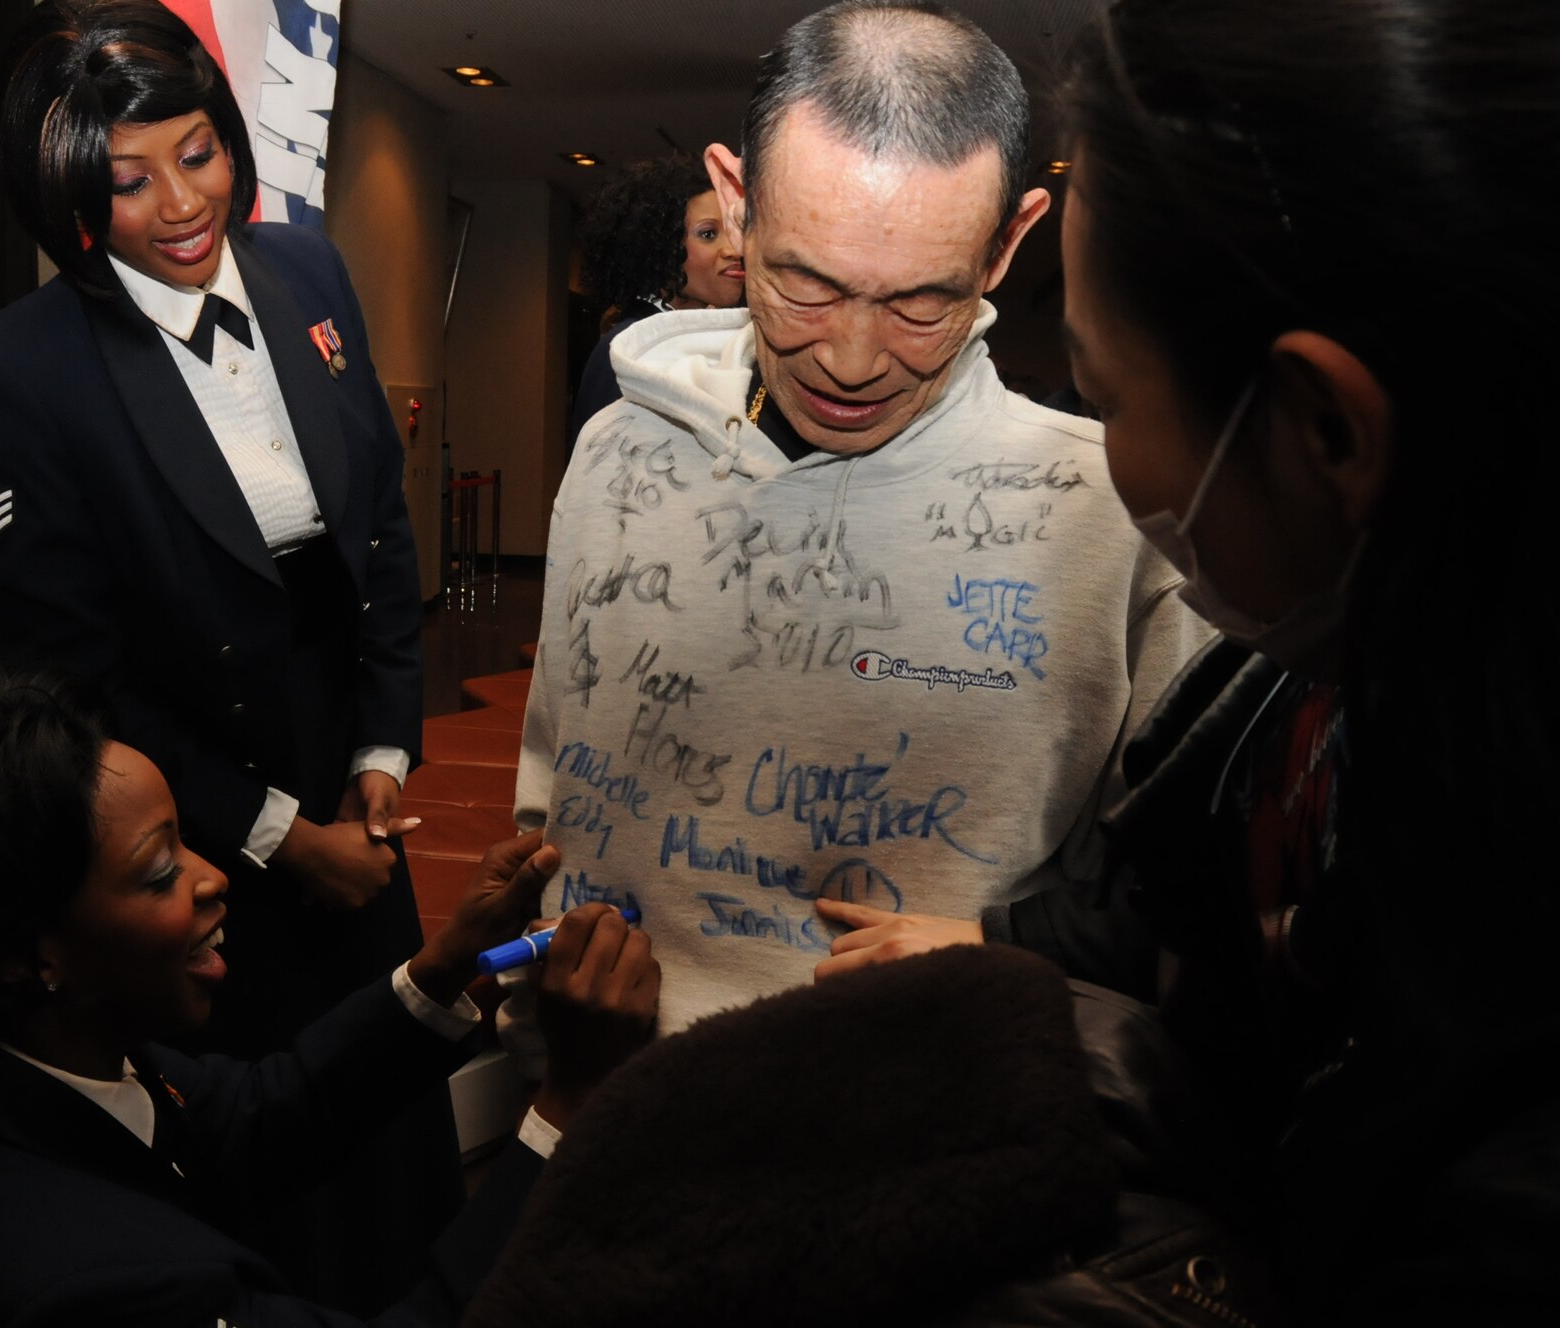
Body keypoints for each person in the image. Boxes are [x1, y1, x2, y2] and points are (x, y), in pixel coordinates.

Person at [818, 0, 1560, 1319]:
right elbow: (1181, 891)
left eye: (1105, 395)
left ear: (1323, 430)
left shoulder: (1558, 1186)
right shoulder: (1323, 701)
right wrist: (994, 944)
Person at [512, 0, 1208, 1036]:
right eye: (802, 283)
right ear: (734, 203)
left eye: (918, 302)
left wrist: (1002, 960)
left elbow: (1177, 909)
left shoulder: (1122, 518)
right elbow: (552, 780)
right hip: (609, 1093)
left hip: (940, 1119)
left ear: (1008, 240)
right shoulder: (615, 448)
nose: (848, 359)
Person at [0, 1, 445, 1305]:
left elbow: (383, 530)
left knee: (394, 1115)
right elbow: (77, 690)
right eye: (127, 180)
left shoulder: (310, 271)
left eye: (199, 154)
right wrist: (287, 836)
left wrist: (387, 746)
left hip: (359, 800)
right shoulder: (24, 372)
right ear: (61, 190)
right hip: (208, 834)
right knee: (272, 1159)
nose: (180, 203)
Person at [0, 664, 660, 1327]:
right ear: (27, 953)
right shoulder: (91, 1281)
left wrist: (444, 967)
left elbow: (246, 1119)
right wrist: (569, 1109)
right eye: (159, 873)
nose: (210, 878)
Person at [568, 155, 744, 444]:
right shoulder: (629, 347)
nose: (735, 249)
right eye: (709, 233)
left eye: (735, 230)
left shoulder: (708, 340)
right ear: (659, 247)